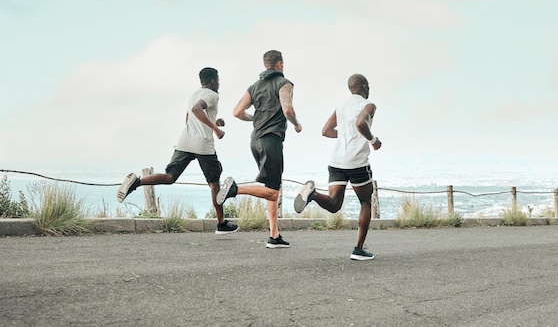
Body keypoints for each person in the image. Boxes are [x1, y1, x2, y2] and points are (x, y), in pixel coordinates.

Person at [116, 67, 238, 235]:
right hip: (203, 145)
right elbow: (196, 110)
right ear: (212, 81)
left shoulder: (195, 94)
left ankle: (136, 182)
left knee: (170, 177)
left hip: (185, 142)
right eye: (218, 80)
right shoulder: (212, 95)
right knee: (214, 183)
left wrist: (214, 122)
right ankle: (221, 224)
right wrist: (215, 130)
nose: (219, 83)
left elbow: (189, 117)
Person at [216, 50, 302, 248]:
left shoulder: (254, 86)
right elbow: (287, 109)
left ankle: (274, 235)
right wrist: (296, 124)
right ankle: (235, 189)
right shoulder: (284, 83)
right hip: (271, 140)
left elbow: (237, 112)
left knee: (271, 187)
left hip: (255, 140)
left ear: (266, 65)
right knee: (272, 192)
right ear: (280, 64)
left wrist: (254, 118)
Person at [293, 74, 381, 260]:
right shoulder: (369, 105)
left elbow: (326, 131)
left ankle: (313, 194)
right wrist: (373, 141)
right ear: (364, 86)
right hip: (357, 161)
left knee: (334, 204)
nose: (369, 89)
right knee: (366, 201)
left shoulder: (340, 106)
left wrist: (344, 137)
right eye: (368, 86)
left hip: (337, 160)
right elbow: (360, 123)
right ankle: (358, 249)